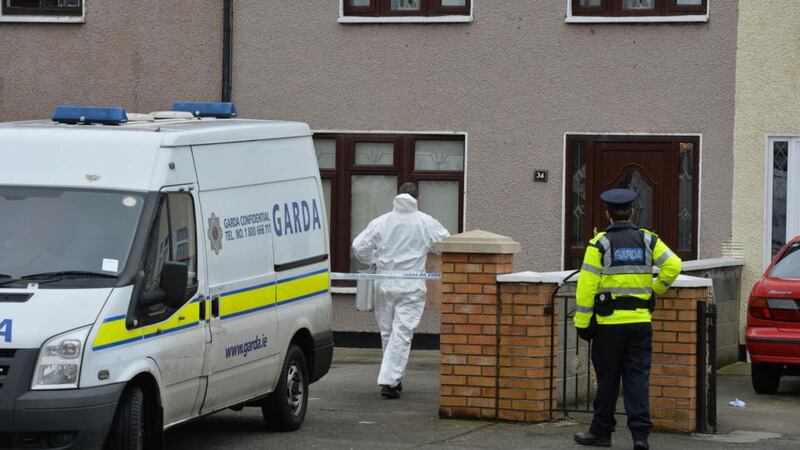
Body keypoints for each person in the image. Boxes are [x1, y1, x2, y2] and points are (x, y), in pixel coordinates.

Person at [572, 188, 682, 450]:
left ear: (607, 214)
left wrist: (582, 323)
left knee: (608, 379)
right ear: (632, 212)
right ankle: (640, 437)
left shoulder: (599, 244)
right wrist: (656, 290)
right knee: (637, 379)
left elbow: (586, 287)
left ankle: (601, 432)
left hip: (608, 326)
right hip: (640, 323)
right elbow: (674, 265)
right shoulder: (648, 240)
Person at [352, 182, 449, 399]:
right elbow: (446, 242)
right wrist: (427, 249)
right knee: (402, 334)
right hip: (411, 285)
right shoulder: (425, 222)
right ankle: (389, 381)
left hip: (385, 283)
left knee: (389, 333)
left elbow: (359, 247)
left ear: (398, 196)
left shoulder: (382, 222)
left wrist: (375, 260)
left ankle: (393, 380)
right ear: (418, 198)